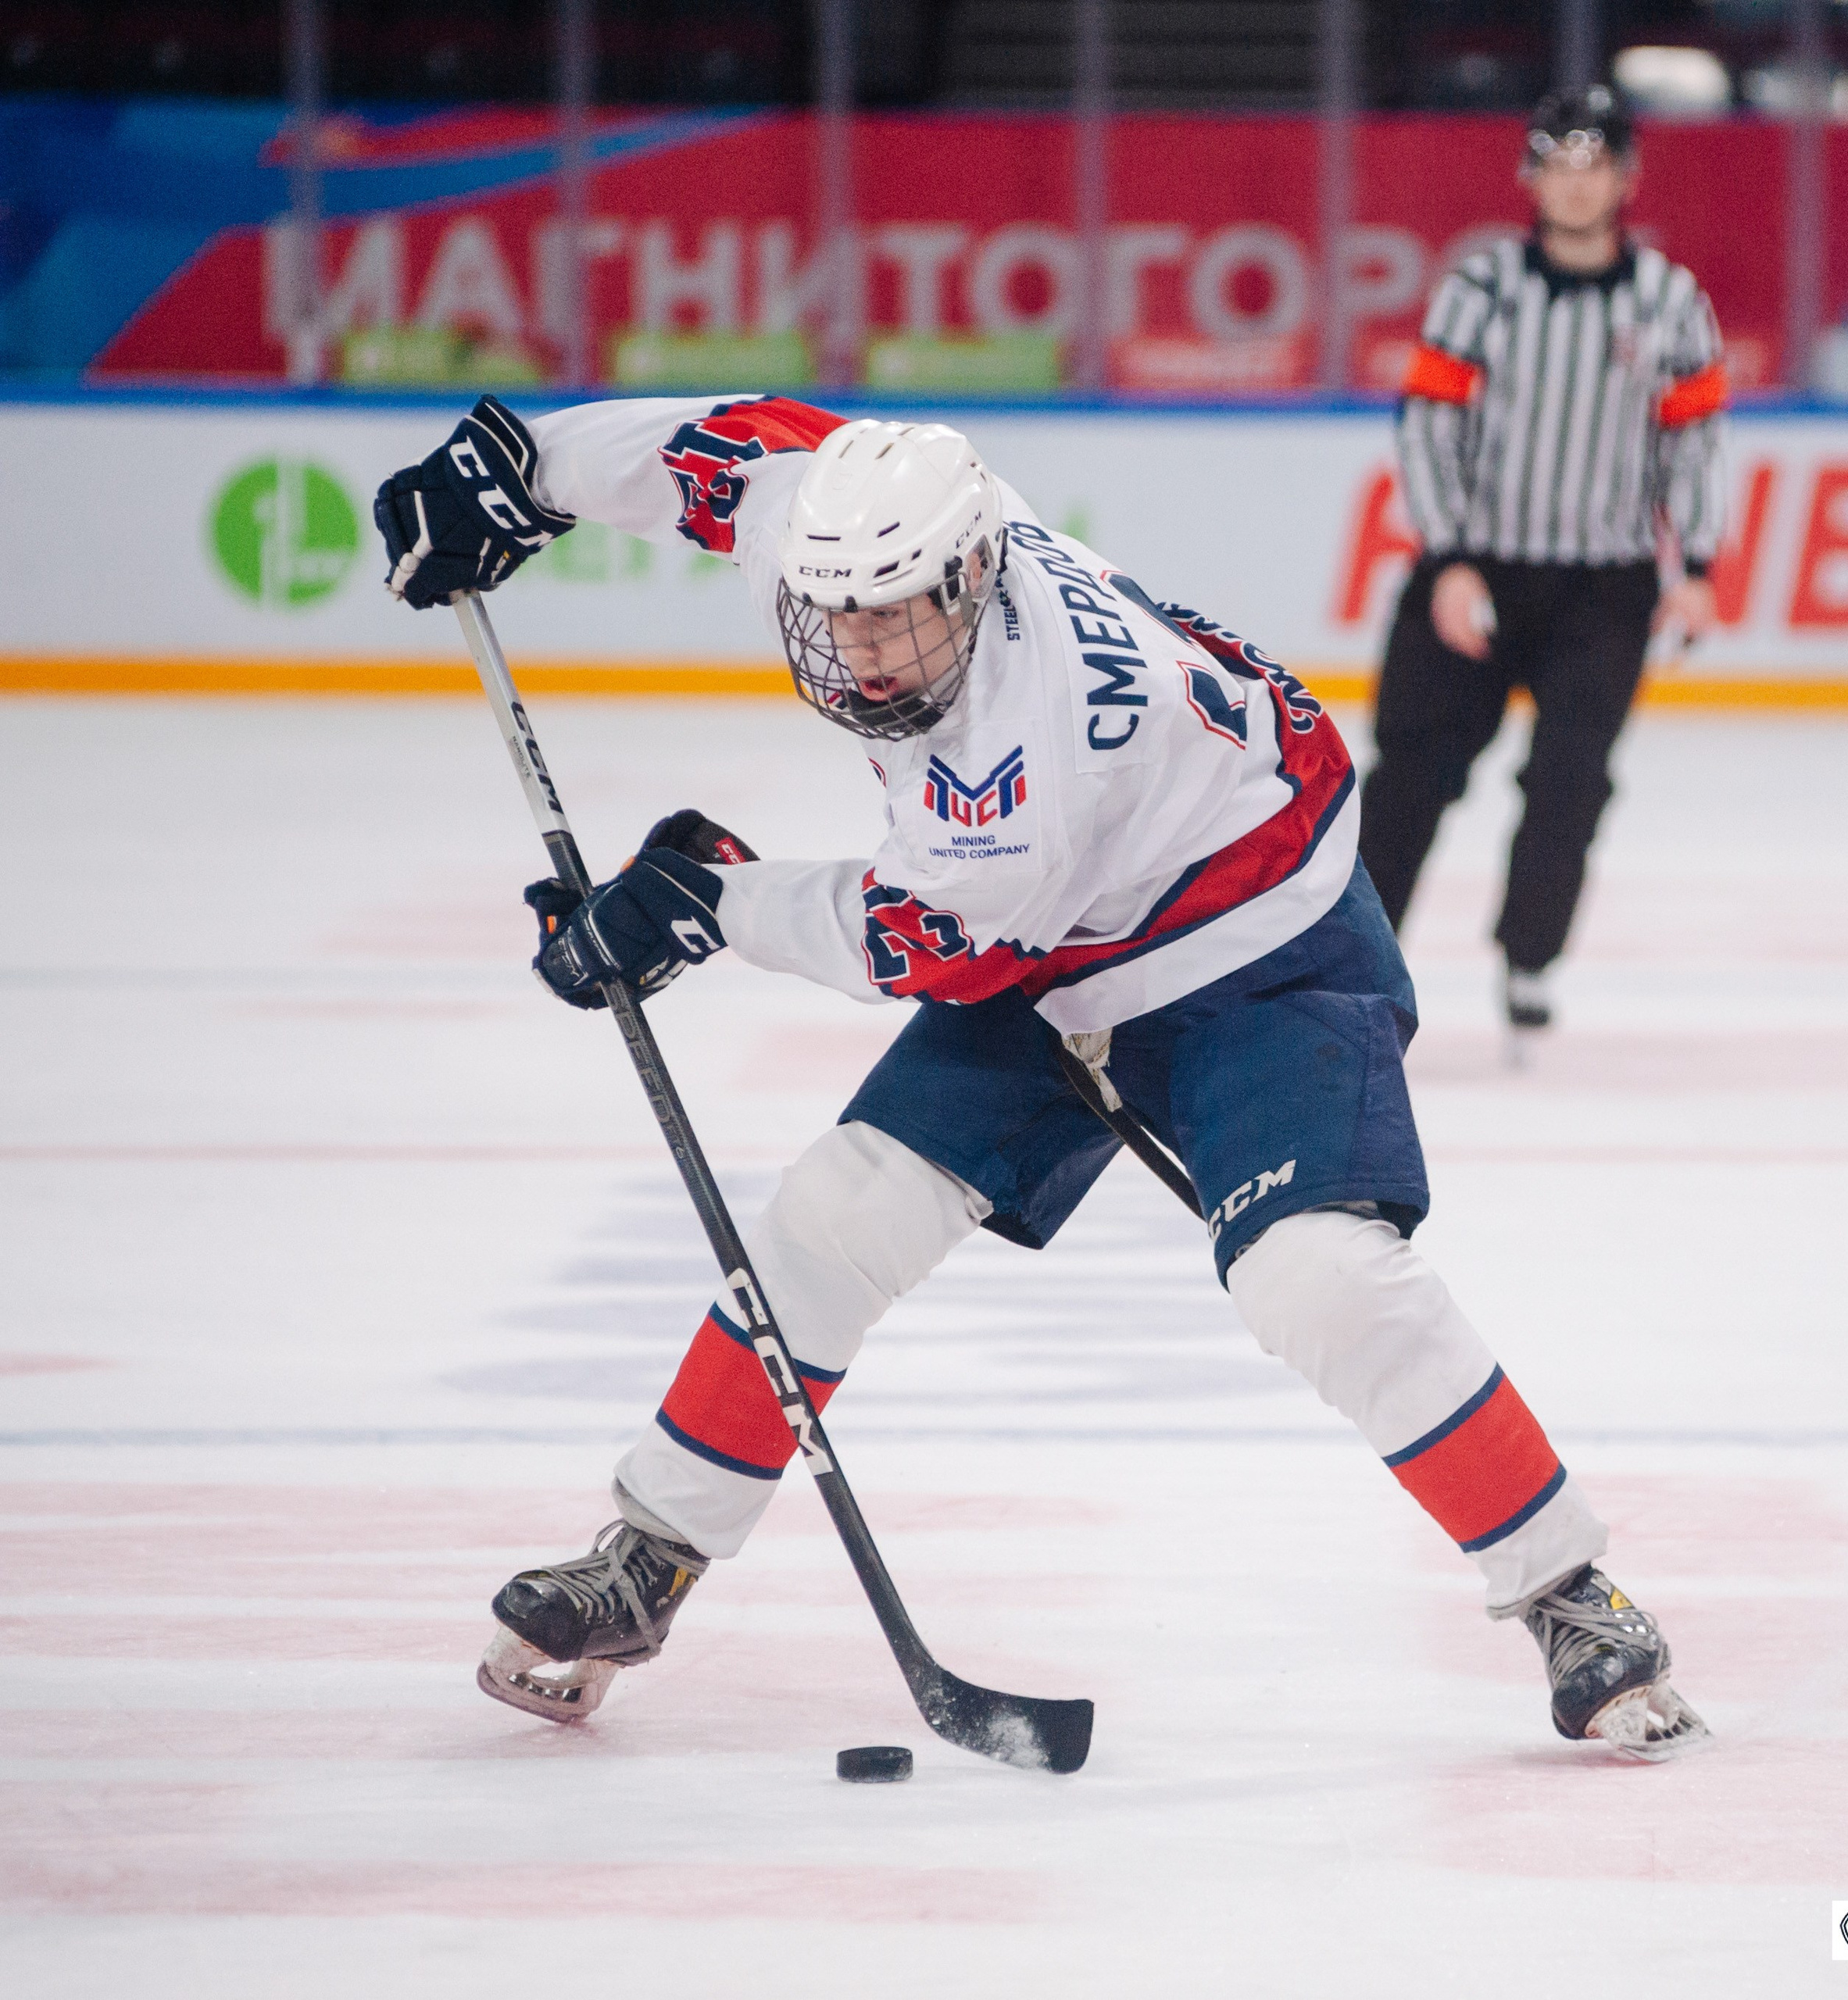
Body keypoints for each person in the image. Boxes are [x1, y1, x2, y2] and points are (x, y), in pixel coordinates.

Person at [372, 389, 1707, 1758]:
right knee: (836, 1216)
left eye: (898, 615)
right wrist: (522, 467)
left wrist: (703, 903)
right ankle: (646, 1558)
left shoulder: (1037, 742)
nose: (869, 653)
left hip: (1259, 951)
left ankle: (1568, 1590)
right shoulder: (858, 537)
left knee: (1318, 1274)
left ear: (972, 574)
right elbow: (731, 442)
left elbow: (921, 943)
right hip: (1063, 936)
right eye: (841, 617)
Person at [1360, 83, 1728, 1036]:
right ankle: (1350, 962)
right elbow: (1427, 427)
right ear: (1530, 176)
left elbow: (1691, 442)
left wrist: (1695, 566)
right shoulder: (1481, 289)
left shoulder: (1671, 302)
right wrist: (1446, 559)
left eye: (1592, 165)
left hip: (1602, 587)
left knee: (1572, 776)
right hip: (1477, 570)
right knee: (1409, 774)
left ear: (1626, 177)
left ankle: (1529, 956)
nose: (1573, 186)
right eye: (1556, 166)